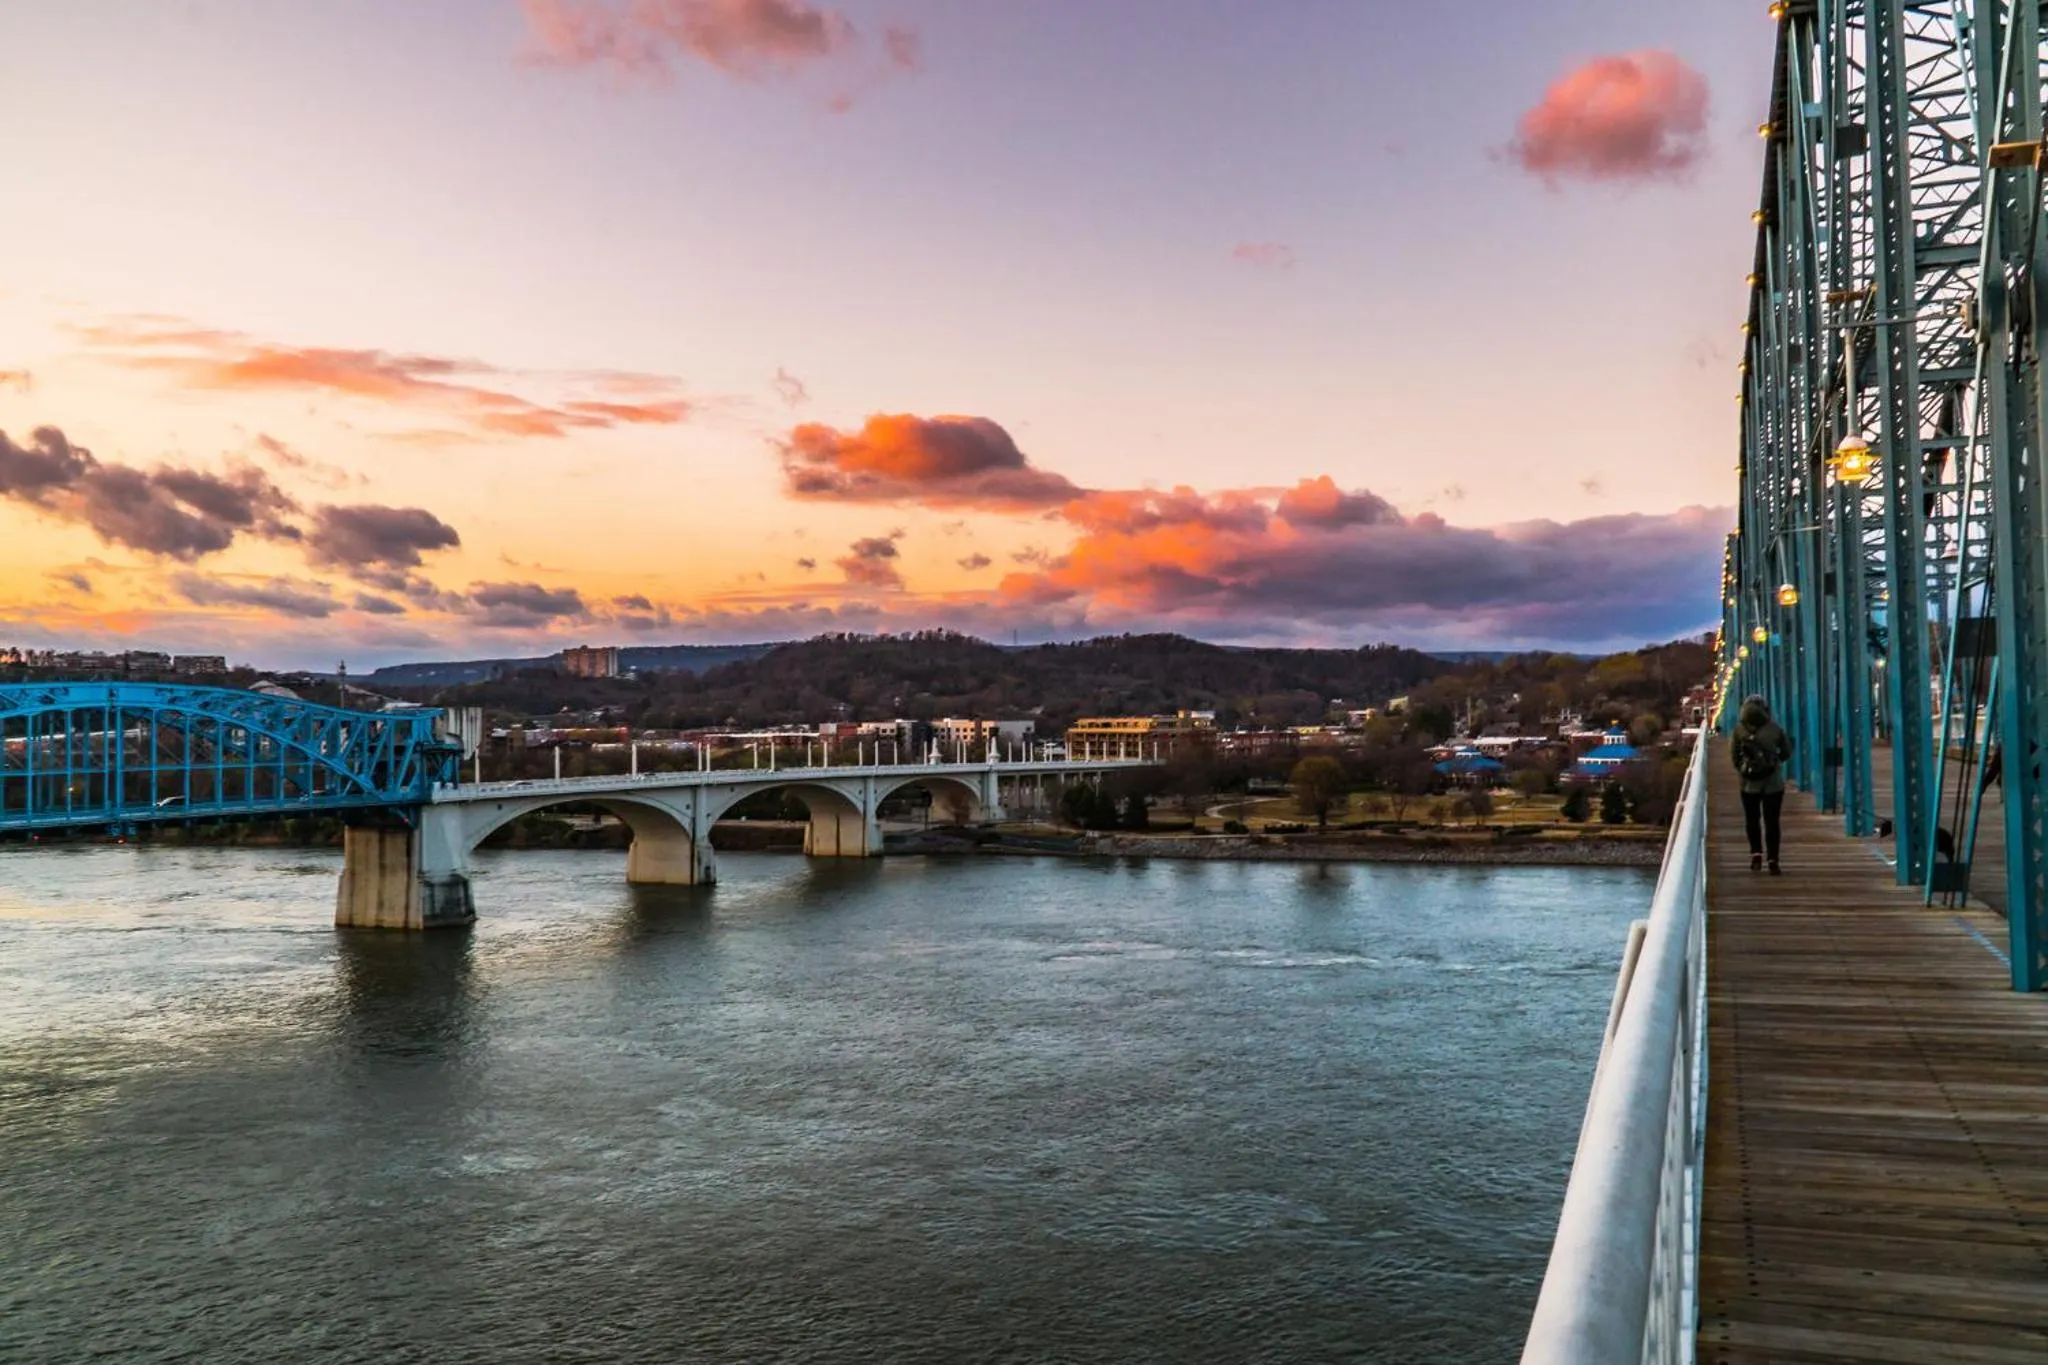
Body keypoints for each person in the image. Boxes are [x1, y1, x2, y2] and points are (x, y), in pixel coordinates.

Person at [1731, 694, 1794, 874]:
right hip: (1773, 784)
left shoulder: (1739, 730)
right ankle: (1773, 859)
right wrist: (1775, 762)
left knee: (1752, 820)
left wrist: (1745, 771)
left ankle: (1756, 855)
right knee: (1772, 821)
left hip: (1748, 785)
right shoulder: (1775, 728)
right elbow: (1787, 752)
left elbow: (1734, 757)